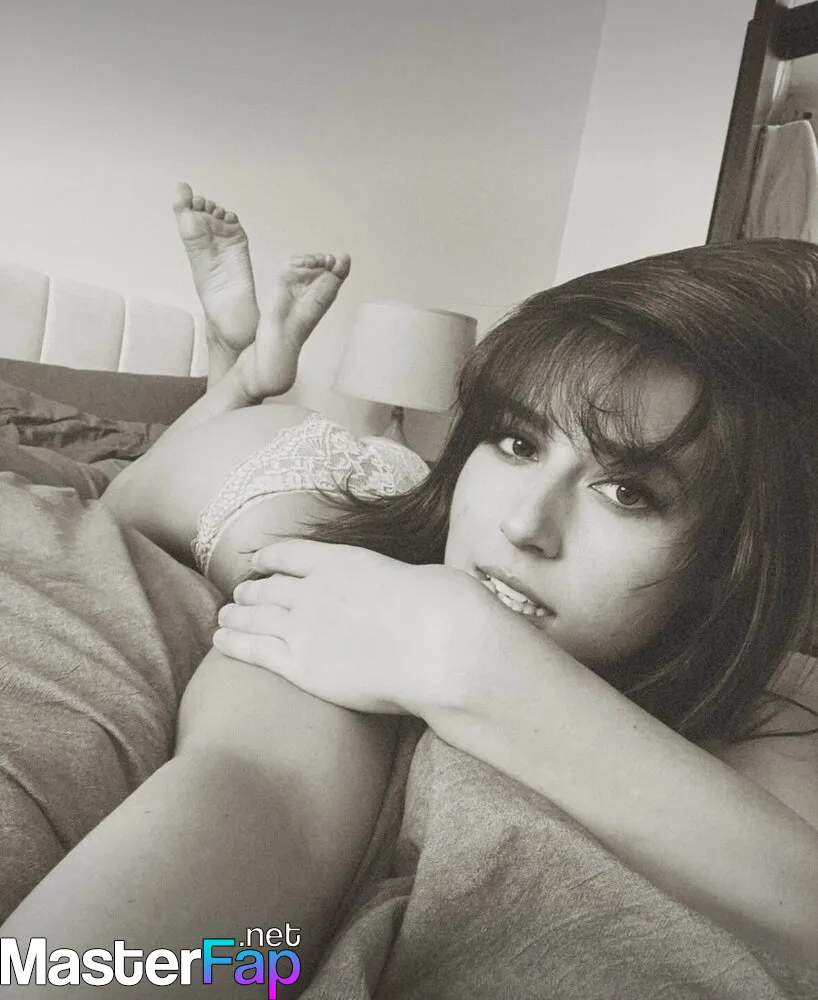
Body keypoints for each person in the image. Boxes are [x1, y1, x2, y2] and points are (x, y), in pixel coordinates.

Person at [2, 188, 818, 996]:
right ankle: (240, 376)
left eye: (628, 493)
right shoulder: (333, 592)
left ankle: (242, 372)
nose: (523, 524)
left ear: (732, 565)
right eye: (517, 441)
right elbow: (114, 522)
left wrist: (482, 668)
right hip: (290, 477)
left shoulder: (775, 716)